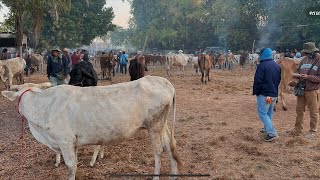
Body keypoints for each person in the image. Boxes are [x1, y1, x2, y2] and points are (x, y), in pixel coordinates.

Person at [290, 42, 320, 138]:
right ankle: (297, 129)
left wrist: (308, 77)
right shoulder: (303, 60)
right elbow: (298, 71)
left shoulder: (319, 60)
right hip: (301, 89)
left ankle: (312, 131)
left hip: (312, 90)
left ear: (313, 51)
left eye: (307, 52)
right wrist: (296, 75)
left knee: (313, 111)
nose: (305, 54)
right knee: (299, 110)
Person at [253, 48, 281, 142]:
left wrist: (257, 92)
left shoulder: (261, 66)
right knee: (269, 112)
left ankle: (272, 133)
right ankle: (266, 129)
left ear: (263, 55)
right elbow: (278, 80)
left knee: (262, 113)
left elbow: (258, 81)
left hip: (264, 94)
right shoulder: (277, 66)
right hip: (273, 93)